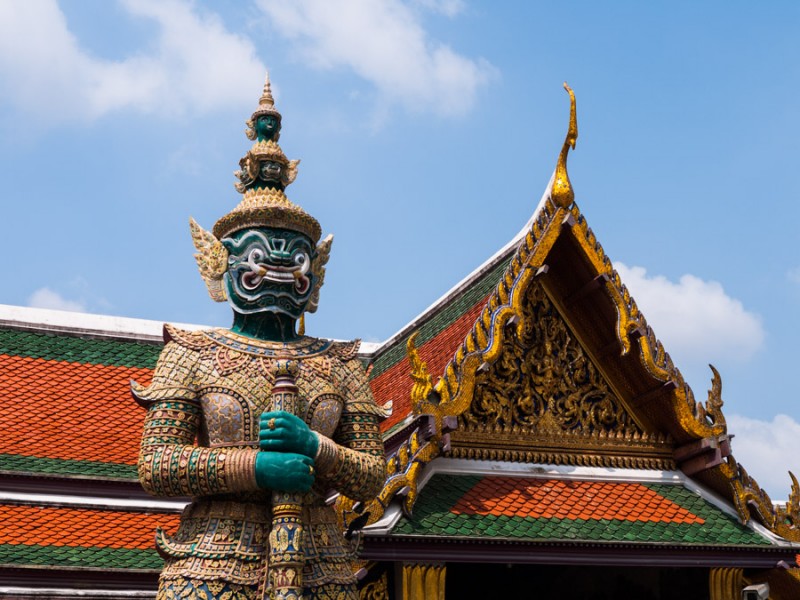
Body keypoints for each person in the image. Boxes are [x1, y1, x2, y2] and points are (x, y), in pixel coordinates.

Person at [133, 73, 386, 600]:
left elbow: (371, 476)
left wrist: (314, 447)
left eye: (293, 256)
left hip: (320, 562)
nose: (277, 266)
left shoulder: (341, 365)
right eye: (258, 253)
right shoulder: (191, 355)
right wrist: (257, 465)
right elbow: (157, 464)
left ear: (315, 271)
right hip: (214, 561)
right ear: (219, 265)